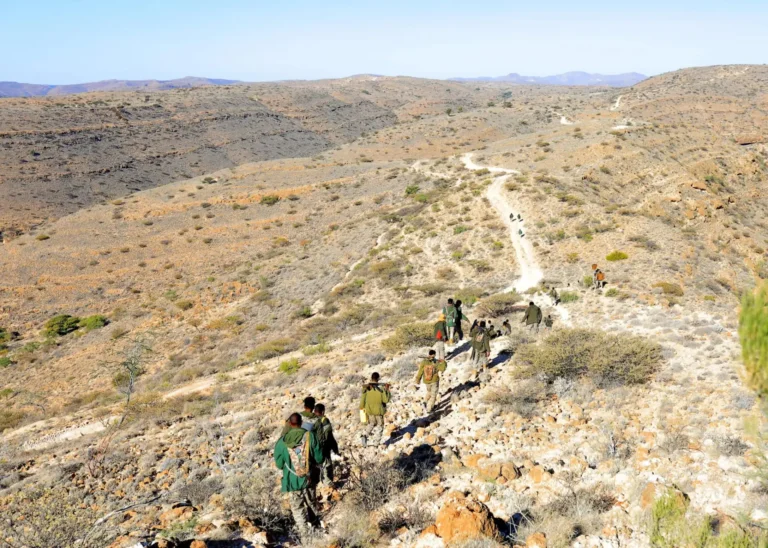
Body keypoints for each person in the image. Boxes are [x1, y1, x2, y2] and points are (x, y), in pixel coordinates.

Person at [274, 412, 324, 541]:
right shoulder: (310, 436)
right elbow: (319, 458)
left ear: (290, 424)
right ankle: (317, 528)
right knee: (312, 503)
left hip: (291, 481)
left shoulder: (281, 442)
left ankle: (306, 536)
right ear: (301, 422)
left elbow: (279, 465)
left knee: (297, 509)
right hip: (309, 479)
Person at [360, 373, 391, 447]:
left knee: (371, 423)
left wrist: (362, 408)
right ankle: (376, 443)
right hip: (378, 411)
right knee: (380, 426)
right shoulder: (381, 389)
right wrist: (387, 390)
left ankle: (364, 435)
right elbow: (386, 400)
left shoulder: (366, 388)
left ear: (371, 378)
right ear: (378, 378)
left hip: (369, 410)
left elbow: (362, 400)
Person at [313, 404, 339, 485]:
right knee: (327, 468)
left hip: (313, 449)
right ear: (323, 411)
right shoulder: (324, 420)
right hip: (324, 449)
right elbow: (329, 436)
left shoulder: (311, 420)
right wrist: (335, 448)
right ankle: (328, 486)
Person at [415, 349, 447, 414]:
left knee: (429, 391)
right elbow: (442, 368)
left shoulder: (424, 362)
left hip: (426, 381)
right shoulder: (435, 362)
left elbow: (420, 371)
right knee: (433, 395)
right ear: (434, 355)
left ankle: (425, 402)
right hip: (434, 381)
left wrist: (418, 379)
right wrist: (443, 362)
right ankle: (429, 409)